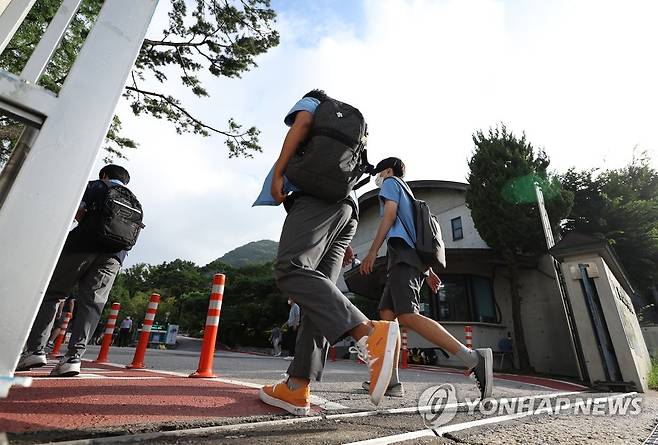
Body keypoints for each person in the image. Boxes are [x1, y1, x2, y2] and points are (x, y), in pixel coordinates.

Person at [257, 90, 400, 416]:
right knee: (317, 299)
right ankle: (297, 387)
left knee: (290, 268)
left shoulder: (313, 105)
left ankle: (367, 333)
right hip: (344, 207)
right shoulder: (343, 125)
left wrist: (280, 170)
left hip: (317, 200)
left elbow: (302, 121)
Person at [359, 157, 493, 400]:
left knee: (408, 315)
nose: (378, 179)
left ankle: (472, 358)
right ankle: (391, 381)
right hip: (408, 260)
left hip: (402, 259)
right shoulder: (408, 194)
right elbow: (415, 235)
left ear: (388, 171)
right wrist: (428, 271)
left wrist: (371, 252)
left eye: (379, 174)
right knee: (388, 317)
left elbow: (388, 217)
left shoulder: (391, 182)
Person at [16, 165, 138, 377]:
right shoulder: (134, 200)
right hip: (114, 256)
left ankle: (35, 350)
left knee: (53, 294)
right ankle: (73, 358)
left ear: (105, 175)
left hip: (81, 247)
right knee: (92, 305)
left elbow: (77, 212)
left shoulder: (95, 186)